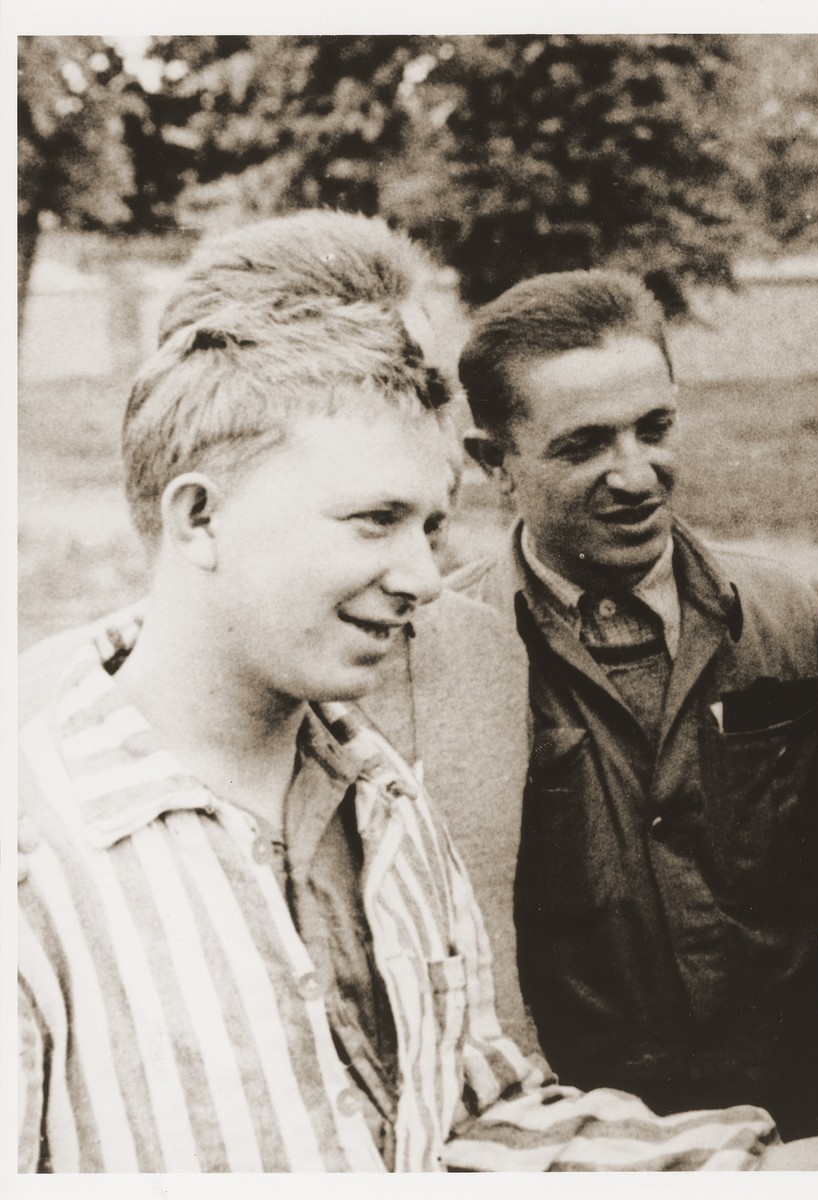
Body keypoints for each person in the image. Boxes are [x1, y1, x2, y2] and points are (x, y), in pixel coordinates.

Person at [16, 285, 818, 1170]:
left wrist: (762, 1168)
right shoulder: (32, 855)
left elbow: (473, 1118)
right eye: (375, 521)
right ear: (199, 518)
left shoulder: (385, 797)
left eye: (430, 526)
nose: (426, 579)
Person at [16, 212, 542, 1057]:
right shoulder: (48, 751)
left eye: (421, 379)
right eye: (385, 376)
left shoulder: (446, 698)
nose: (430, 421)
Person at [452, 270, 818, 1135]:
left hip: (801, 1123)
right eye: (584, 445)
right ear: (494, 465)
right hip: (577, 1143)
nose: (636, 475)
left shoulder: (790, 617)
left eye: (654, 429)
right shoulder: (444, 655)